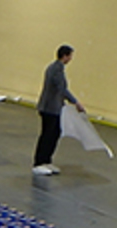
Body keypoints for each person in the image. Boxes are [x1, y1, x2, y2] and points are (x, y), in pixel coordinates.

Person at [33, 44, 85, 176]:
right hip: (50, 108)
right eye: (70, 56)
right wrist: (75, 102)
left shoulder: (55, 67)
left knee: (54, 133)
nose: (71, 59)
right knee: (48, 135)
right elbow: (62, 89)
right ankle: (39, 162)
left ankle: (46, 160)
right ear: (65, 56)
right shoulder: (57, 70)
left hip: (53, 108)